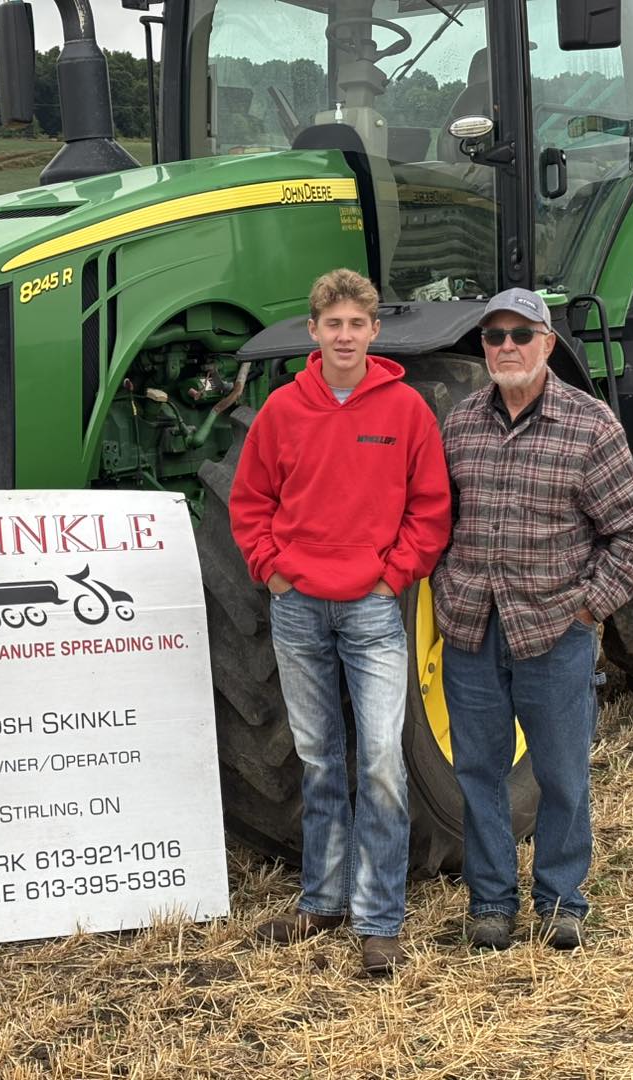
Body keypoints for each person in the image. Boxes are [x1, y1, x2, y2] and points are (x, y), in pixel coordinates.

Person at [229, 268, 451, 976]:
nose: (346, 336)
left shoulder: (407, 410)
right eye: (334, 325)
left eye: (358, 324)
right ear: (315, 331)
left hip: (372, 607)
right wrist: (273, 568)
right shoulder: (282, 412)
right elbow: (250, 500)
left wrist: (393, 576)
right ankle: (323, 901)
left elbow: (430, 507)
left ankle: (379, 920)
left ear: (374, 331)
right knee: (321, 759)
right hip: (297, 609)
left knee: (382, 761)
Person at [434, 287, 633, 952]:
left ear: (548, 344)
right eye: (494, 336)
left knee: (562, 774)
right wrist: (444, 584)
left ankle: (562, 901)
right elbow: (437, 520)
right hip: (472, 628)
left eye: (520, 335)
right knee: (477, 770)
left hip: (554, 631)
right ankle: (492, 902)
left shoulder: (590, 426)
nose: (506, 347)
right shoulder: (459, 425)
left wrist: (590, 605)